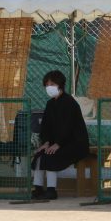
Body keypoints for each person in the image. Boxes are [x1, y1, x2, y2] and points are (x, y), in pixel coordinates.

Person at [31, 70, 90, 201]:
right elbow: (45, 126)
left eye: (52, 84)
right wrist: (46, 142)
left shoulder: (69, 103)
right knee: (40, 155)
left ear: (60, 85)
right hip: (56, 143)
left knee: (50, 156)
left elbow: (68, 127)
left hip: (75, 143)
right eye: (47, 85)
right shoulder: (50, 104)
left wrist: (58, 144)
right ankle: (38, 189)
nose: (49, 87)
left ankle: (51, 190)